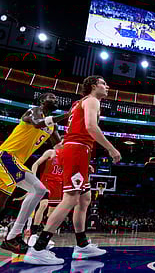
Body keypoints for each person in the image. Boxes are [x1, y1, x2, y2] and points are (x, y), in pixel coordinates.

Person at [25, 75, 122, 265]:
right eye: (104, 83)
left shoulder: (79, 103)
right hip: (77, 149)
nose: (107, 86)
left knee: (85, 199)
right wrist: (111, 148)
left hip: (77, 150)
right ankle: (38, 247)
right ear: (94, 86)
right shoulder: (92, 100)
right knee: (71, 198)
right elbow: (91, 127)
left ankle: (82, 245)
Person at [0, 93, 68, 254]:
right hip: (6, 156)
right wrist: (66, 115)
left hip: (14, 162)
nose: (56, 100)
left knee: (1, 201)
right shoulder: (33, 112)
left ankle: (12, 238)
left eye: (57, 98)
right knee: (39, 189)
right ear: (42, 101)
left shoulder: (52, 127)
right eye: (52, 97)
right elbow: (38, 123)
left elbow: (59, 147)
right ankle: (12, 237)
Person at [28, 144, 64, 247]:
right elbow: (36, 164)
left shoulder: (66, 157)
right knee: (43, 205)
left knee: (51, 213)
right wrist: (34, 179)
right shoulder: (50, 152)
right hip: (46, 182)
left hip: (58, 185)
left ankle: (44, 236)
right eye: (61, 143)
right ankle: (33, 234)